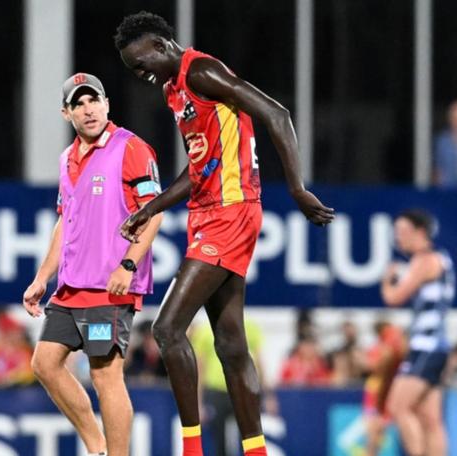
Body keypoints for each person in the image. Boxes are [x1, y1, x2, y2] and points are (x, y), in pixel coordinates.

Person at [114, 12, 334, 456]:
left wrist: (296, 187)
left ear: (160, 46)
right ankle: (256, 451)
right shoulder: (173, 90)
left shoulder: (200, 71)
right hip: (207, 212)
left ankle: (191, 449)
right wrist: (151, 207)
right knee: (231, 344)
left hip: (231, 213)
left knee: (168, 328)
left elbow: (277, 112)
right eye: (133, 70)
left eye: (142, 64)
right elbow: (199, 170)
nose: (141, 75)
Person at [22, 72, 163, 456]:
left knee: (104, 374)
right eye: (79, 104)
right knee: (45, 364)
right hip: (71, 288)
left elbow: (154, 214)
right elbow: (65, 220)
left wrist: (128, 266)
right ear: (66, 113)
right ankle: (97, 447)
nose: (89, 110)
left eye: (94, 100)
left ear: (107, 104)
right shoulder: (68, 158)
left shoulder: (131, 148)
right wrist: (42, 278)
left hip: (109, 287)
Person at [381, 209, 454, 456]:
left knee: (398, 406)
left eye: (403, 231)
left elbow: (394, 297)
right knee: (430, 419)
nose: (398, 238)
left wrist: (388, 279)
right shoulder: (441, 259)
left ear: (420, 233)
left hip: (426, 346)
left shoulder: (424, 261)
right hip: (438, 346)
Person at [191, 319, 277, 456]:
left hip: (242, 389)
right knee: (222, 440)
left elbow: (259, 363)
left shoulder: (250, 327)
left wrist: (269, 395)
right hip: (219, 391)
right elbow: (200, 369)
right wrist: (199, 404)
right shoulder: (205, 331)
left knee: (250, 437)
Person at [362, 321, 405, 456]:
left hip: (393, 390)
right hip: (375, 392)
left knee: (396, 427)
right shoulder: (378, 349)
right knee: (374, 430)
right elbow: (374, 368)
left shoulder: (398, 348)